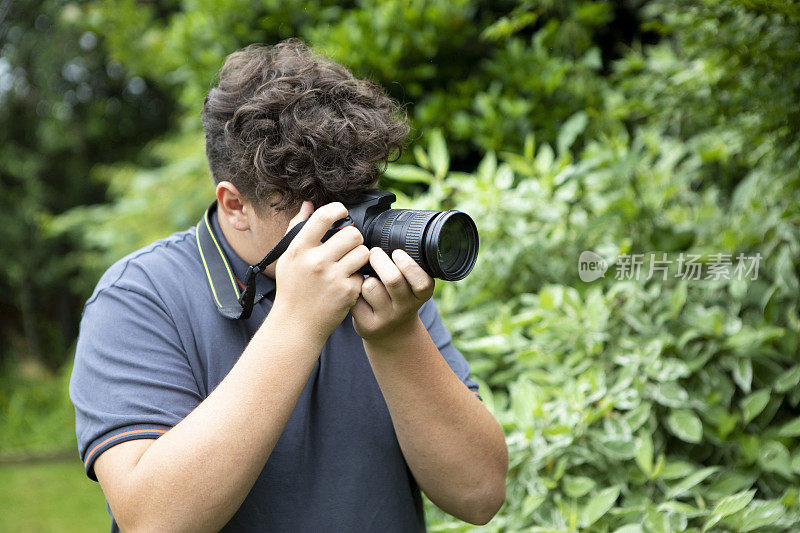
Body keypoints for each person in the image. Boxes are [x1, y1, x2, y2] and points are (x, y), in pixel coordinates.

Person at [69, 39, 507, 532]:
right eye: (316, 205)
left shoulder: (384, 288)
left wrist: (397, 336)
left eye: (356, 198)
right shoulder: (140, 297)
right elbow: (154, 522)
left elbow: (480, 494)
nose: (349, 226)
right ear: (235, 206)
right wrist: (298, 322)